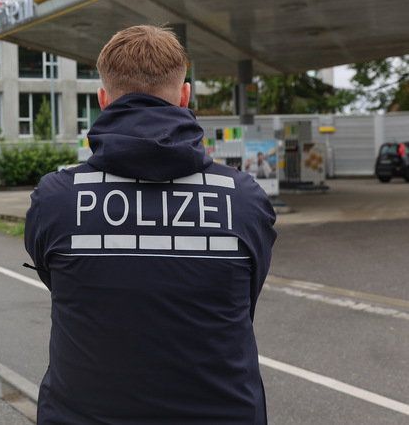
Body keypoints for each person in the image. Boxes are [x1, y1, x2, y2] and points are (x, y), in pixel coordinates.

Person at [25, 25, 277, 424]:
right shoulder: (243, 199)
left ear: (103, 99)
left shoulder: (55, 199)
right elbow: (247, 299)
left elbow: (58, 279)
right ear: (184, 95)